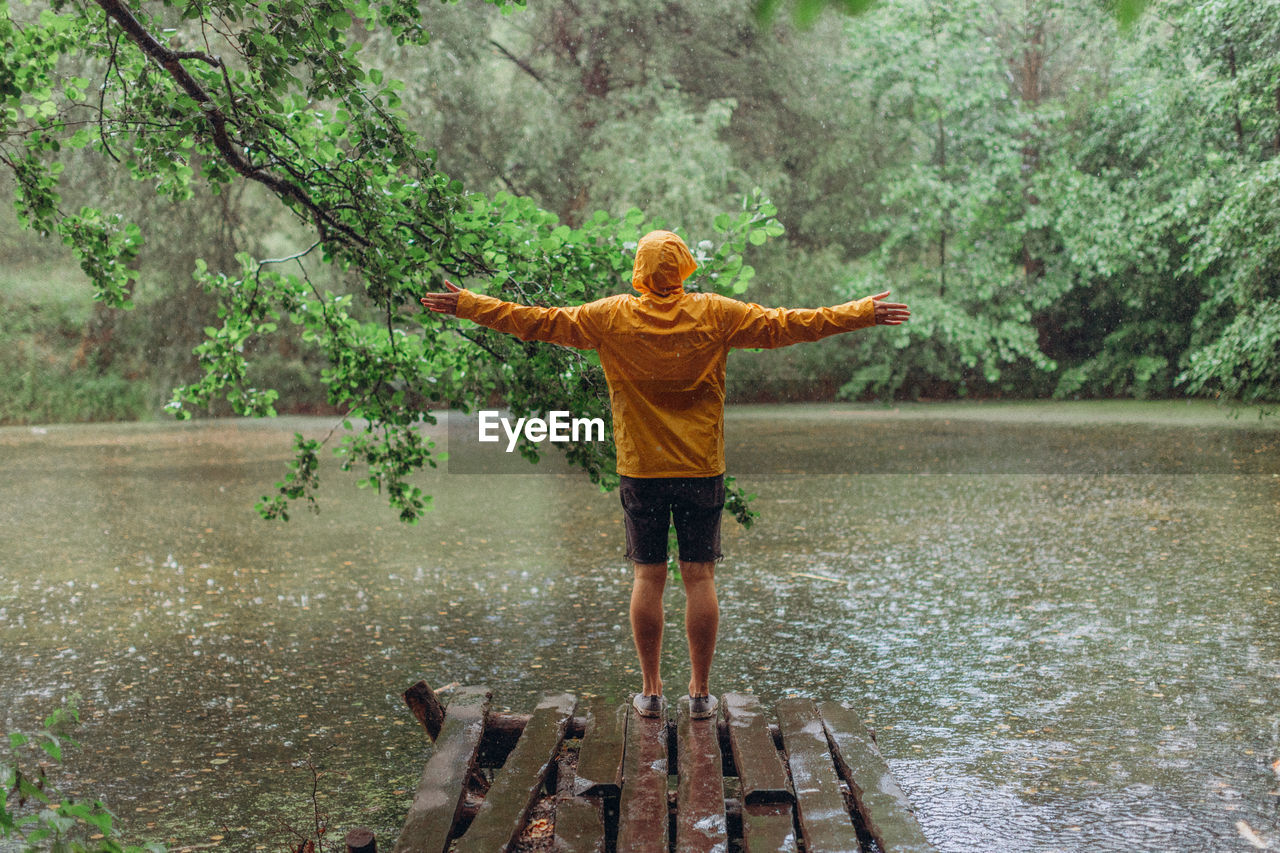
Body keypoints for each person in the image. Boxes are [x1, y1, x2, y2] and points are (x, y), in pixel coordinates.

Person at [421, 230, 909, 720]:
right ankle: (700, 695)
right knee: (699, 576)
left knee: (648, 576)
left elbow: (535, 322)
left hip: (642, 470)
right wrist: (860, 312)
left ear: (640, 269)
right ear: (682, 268)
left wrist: (468, 304)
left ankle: (651, 692)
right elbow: (788, 325)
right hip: (700, 468)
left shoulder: (610, 317)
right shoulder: (716, 313)